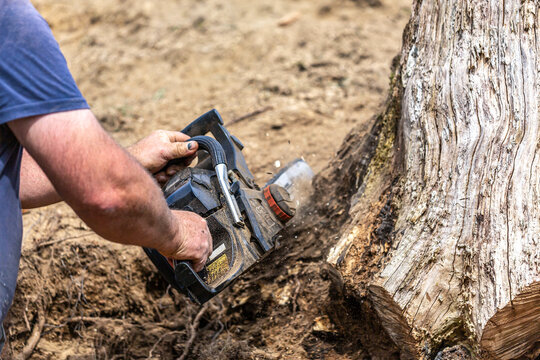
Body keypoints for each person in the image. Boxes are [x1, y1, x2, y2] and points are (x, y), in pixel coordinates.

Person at [0, 0, 213, 353]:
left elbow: (7, 169)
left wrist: (122, 161)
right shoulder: (10, 23)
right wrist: (177, 234)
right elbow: (109, 196)